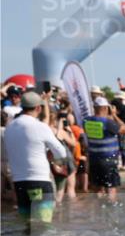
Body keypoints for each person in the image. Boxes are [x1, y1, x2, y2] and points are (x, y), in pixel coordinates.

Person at [4, 91, 74, 223]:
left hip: (19, 182)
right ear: (38, 108)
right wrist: (56, 161)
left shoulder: (9, 127)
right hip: (39, 181)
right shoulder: (40, 126)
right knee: (43, 224)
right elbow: (61, 152)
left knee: (26, 224)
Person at [83, 96, 125, 201]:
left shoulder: (86, 121)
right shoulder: (108, 122)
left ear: (94, 107)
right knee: (111, 188)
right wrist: (114, 115)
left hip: (94, 160)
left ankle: (99, 211)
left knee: (98, 189)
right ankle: (111, 212)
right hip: (108, 161)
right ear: (106, 108)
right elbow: (124, 129)